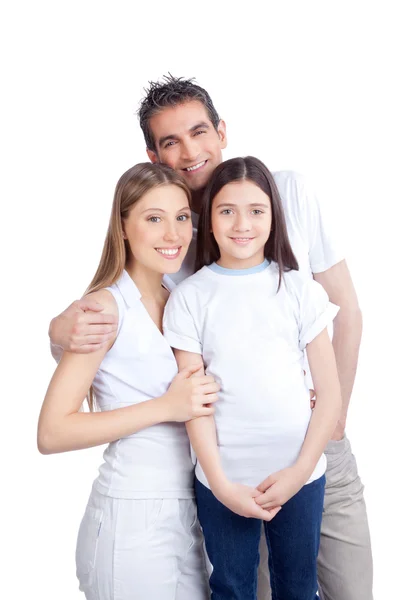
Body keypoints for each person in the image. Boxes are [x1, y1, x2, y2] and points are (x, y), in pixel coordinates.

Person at [48, 76, 373, 600]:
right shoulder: (173, 241)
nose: (190, 150)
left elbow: (348, 311)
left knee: (349, 585)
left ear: (222, 131)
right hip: (228, 459)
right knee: (259, 586)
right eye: (170, 141)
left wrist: (332, 419)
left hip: (314, 441)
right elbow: (131, 333)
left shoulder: (285, 191)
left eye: (199, 131)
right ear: (153, 154)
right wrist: (58, 330)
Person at [163, 155, 342, 599]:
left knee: (299, 589)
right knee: (232, 588)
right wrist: (221, 484)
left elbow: (331, 394)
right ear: (210, 222)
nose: (242, 224)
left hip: (300, 475)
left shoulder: (300, 290)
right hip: (224, 479)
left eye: (256, 211)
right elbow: (194, 402)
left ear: (273, 218)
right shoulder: (189, 297)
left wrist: (299, 472)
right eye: (227, 211)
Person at [38, 162, 217, 600]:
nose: (172, 234)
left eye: (180, 218)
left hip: (191, 511)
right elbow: (52, 431)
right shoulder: (104, 309)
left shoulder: (180, 301)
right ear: (122, 227)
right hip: (132, 515)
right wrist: (166, 408)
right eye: (154, 219)